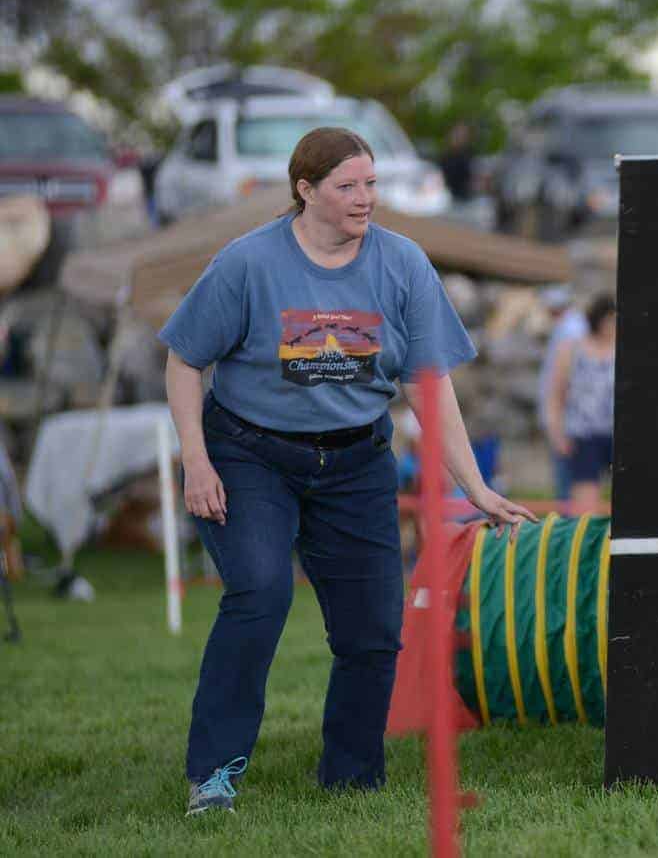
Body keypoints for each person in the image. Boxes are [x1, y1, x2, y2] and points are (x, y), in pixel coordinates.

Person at [160, 126, 535, 816]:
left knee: (371, 630)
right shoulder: (248, 264)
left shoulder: (403, 265)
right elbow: (184, 360)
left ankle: (352, 779)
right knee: (261, 594)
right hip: (250, 454)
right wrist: (198, 460)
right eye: (347, 186)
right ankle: (213, 774)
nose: (365, 199)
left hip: (357, 458)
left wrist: (473, 487)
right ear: (306, 191)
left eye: (371, 184)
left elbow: (430, 387)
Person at [546, 294, 616, 514]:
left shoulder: (623, 349)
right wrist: (556, 433)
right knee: (584, 502)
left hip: (614, 432)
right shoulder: (572, 349)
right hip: (583, 433)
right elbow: (556, 394)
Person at [537, 285, 587, 501]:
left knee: (569, 490)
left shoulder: (571, 330)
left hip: (567, 422)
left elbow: (564, 381)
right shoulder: (567, 328)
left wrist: (557, 426)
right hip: (564, 420)